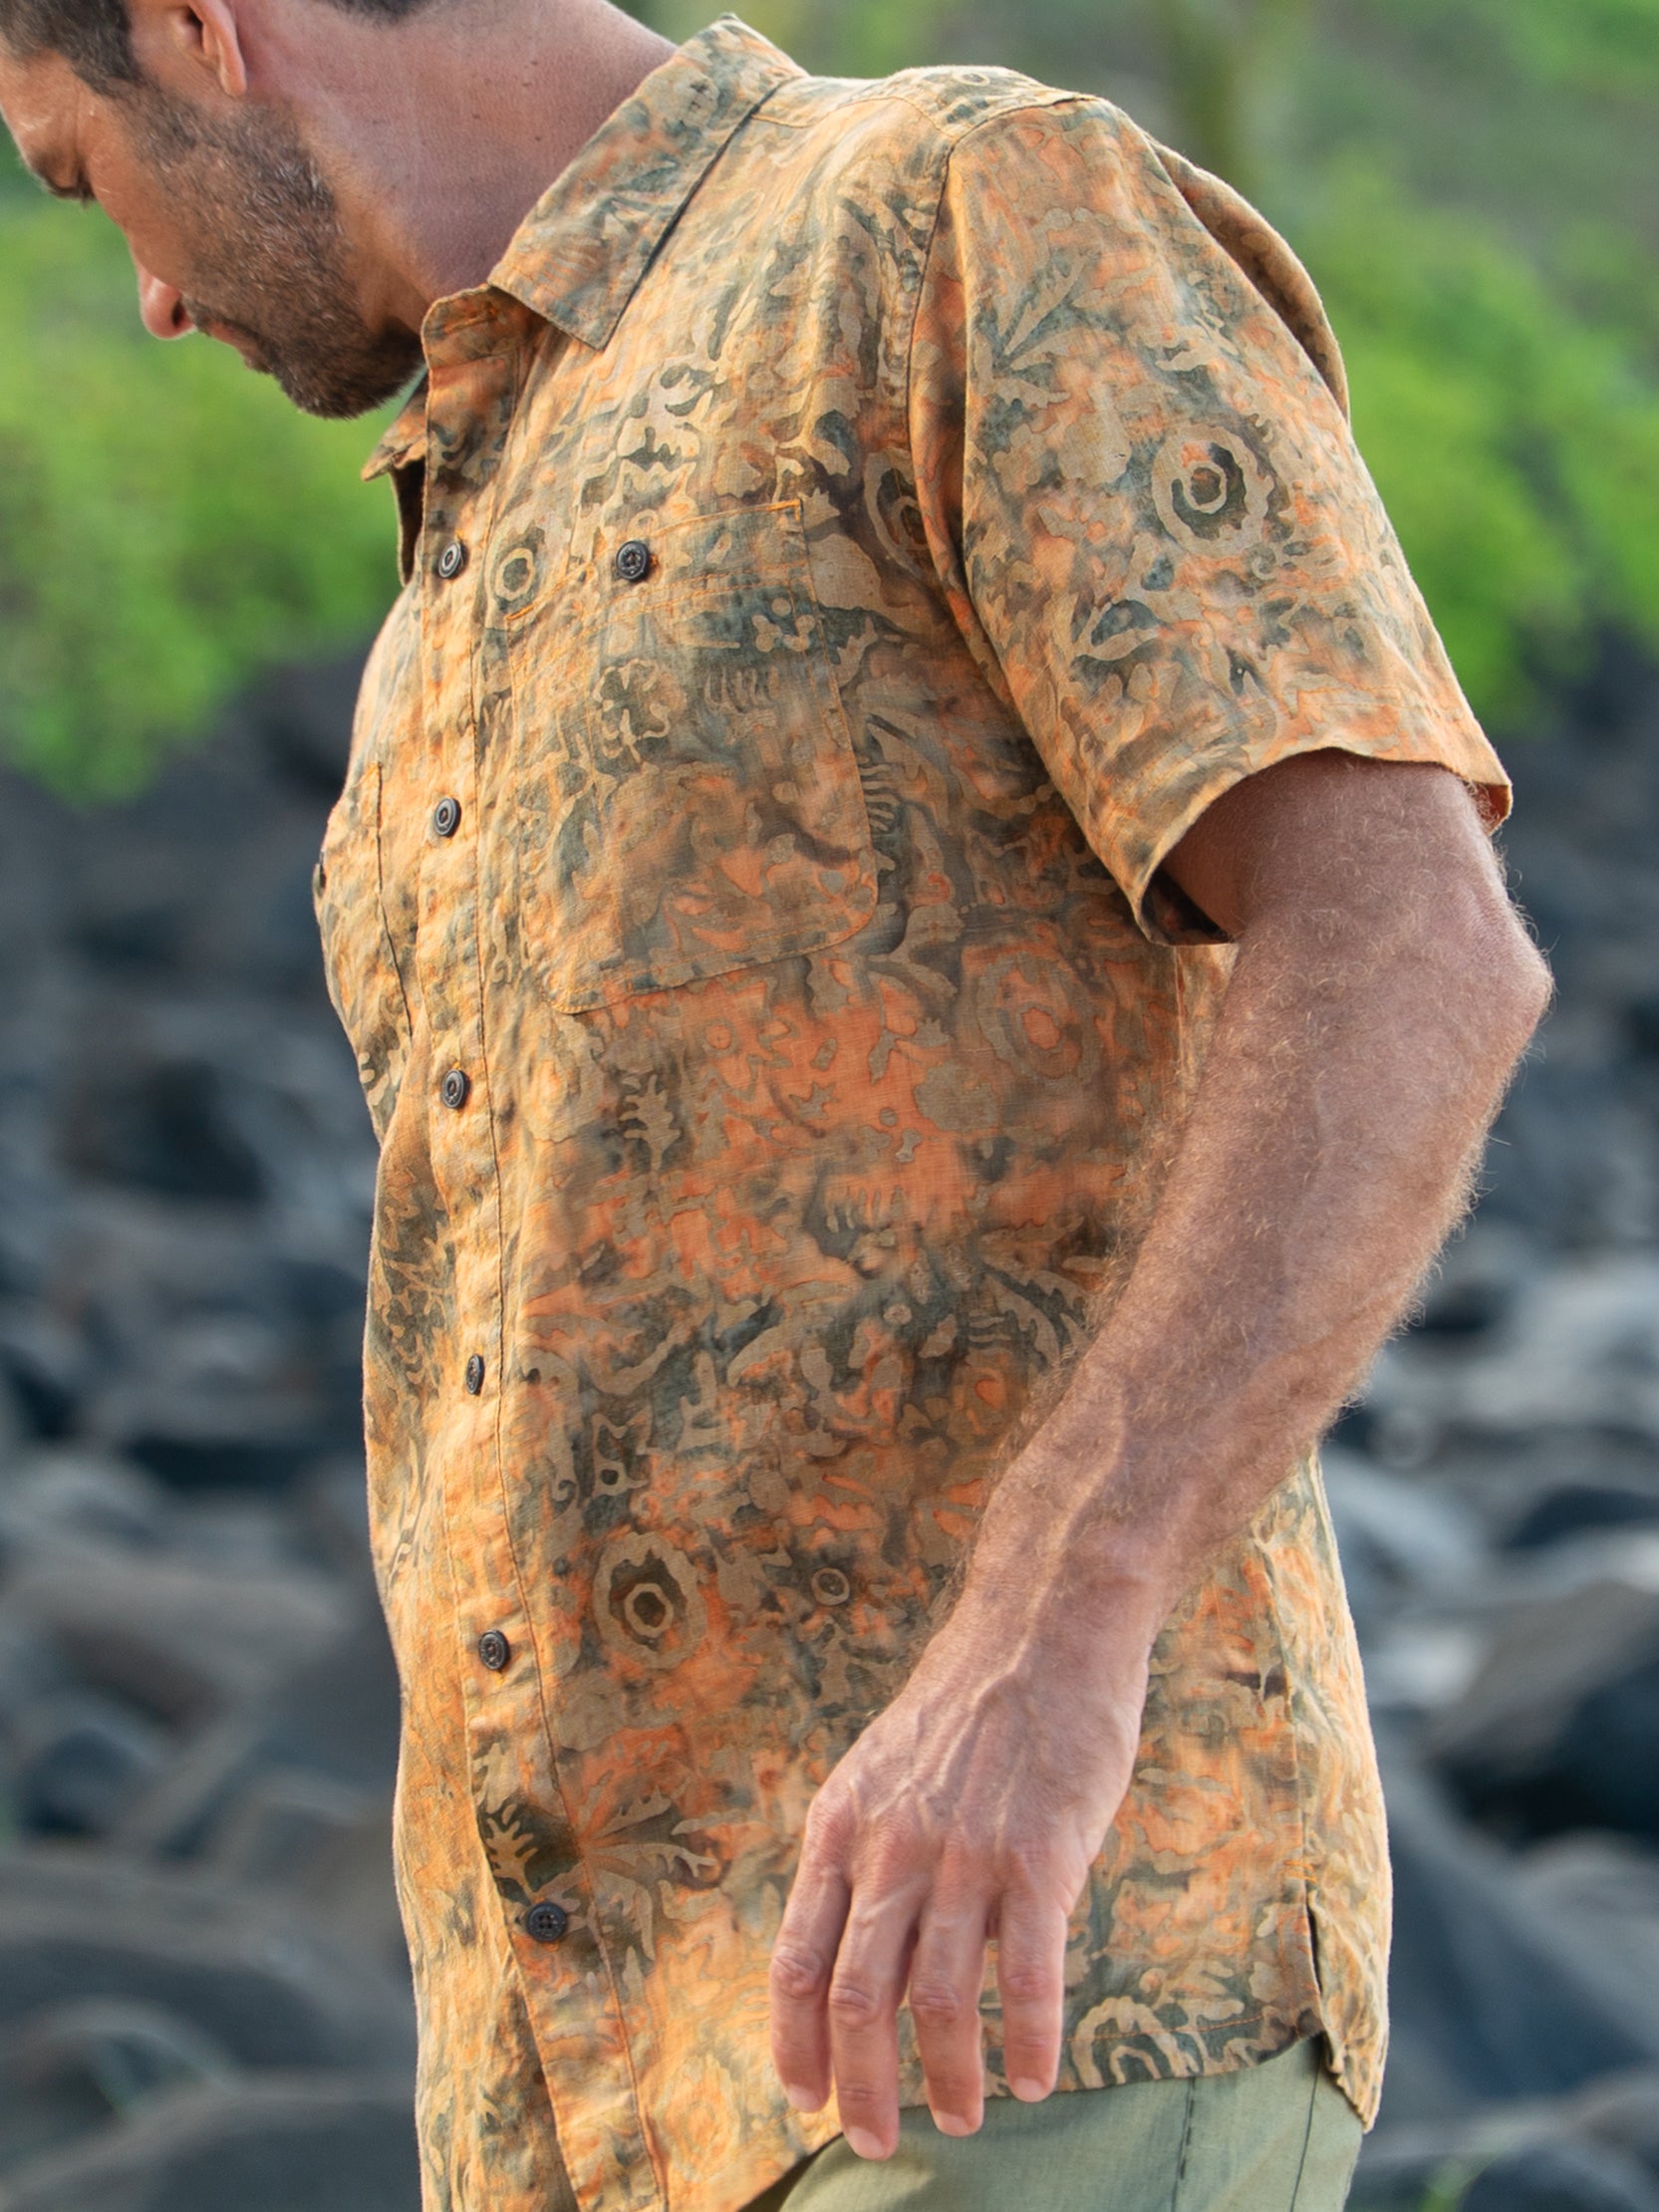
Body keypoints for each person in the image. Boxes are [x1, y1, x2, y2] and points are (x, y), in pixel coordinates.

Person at [0, 1, 1549, 2206]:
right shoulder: (466, 523)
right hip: (597, 2098)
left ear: (194, 27)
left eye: (82, 173)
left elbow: (1409, 946)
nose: (146, 296)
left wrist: (1050, 1628)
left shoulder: (945, 215)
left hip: (1016, 2001)